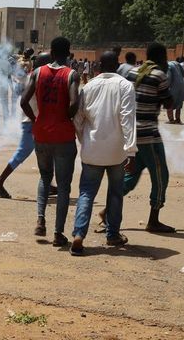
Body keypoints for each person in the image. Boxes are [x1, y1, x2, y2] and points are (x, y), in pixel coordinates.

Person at [70, 51, 137, 256]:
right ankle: (112, 234)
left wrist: (85, 141)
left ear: (98, 66)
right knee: (115, 193)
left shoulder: (88, 86)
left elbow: (78, 119)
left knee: (86, 193)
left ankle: (79, 235)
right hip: (117, 152)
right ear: (117, 65)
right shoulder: (125, 86)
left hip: (92, 150)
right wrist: (131, 151)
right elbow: (127, 118)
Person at [20, 37, 80, 247]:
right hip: (63, 135)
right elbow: (74, 103)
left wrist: (36, 119)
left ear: (52, 53)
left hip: (41, 133)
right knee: (64, 185)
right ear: (68, 53)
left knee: (45, 176)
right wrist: (67, 117)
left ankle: (40, 219)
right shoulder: (71, 74)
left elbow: (23, 101)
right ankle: (58, 233)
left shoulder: (37, 73)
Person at [120, 43, 176, 233]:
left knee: (131, 176)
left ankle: (107, 210)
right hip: (149, 135)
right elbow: (169, 103)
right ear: (161, 57)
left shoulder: (132, 73)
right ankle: (154, 220)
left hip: (131, 134)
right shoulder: (159, 75)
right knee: (161, 177)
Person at [0, 53, 57, 199]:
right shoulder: (39, 78)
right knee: (23, 153)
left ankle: (49, 184)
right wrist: (35, 119)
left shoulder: (31, 77)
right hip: (32, 123)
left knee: (46, 152)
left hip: (34, 122)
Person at [166, 57, 184, 124]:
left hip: (174, 85)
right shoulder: (176, 63)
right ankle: (178, 119)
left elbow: (168, 77)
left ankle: (171, 120)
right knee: (179, 104)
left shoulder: (167, 65)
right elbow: (183, 72)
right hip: (182, 85)